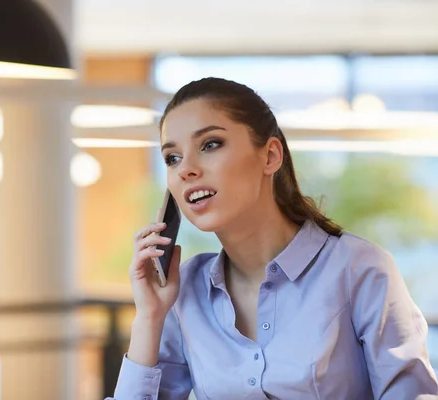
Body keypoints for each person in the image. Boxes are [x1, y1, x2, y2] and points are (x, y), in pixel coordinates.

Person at [105, 77, 438, 400]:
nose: (186, 169)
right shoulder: (186, 289)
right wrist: (149, 316)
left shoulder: (358, 268)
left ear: (270, 156)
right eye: (172, 158)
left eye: (210, 145)